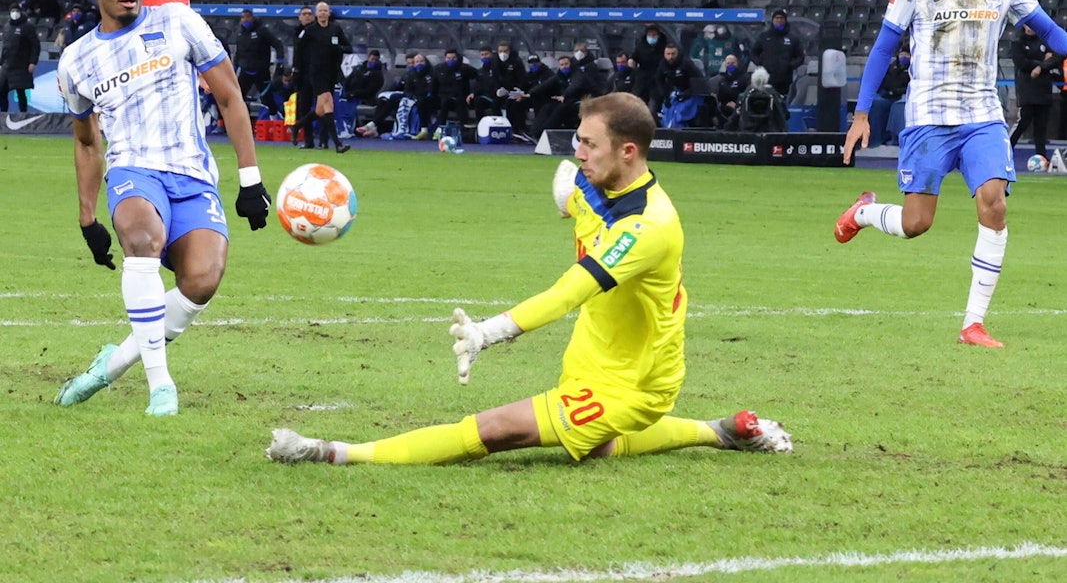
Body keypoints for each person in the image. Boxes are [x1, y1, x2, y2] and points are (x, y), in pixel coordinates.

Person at [268, 92, 793, 466]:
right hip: (593, 353)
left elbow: (570, 291)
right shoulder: (598, 184)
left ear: (628, 152)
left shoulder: (650, 227)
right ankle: (722, 431)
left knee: (496, 430)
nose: (577, 153)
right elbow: (572, 192)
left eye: (588, 144)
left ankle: (332, 452)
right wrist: (567, 187)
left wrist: (487, 332)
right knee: (596, 445)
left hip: (636, 380)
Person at [835, 0, 1067, 349]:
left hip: (983, 116)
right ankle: (863, 212)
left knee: (994, 203)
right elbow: (884, 48)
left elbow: (1049, 31)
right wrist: (861, 112)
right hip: (928, 118)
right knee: (916, 224)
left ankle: (972, 324)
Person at [53, 0, 270, 416]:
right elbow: (88, 142)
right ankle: (161, 388)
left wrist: (250, 180)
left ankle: (110, 366)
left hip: (192, 172)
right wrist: (89, 216)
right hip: (133, 169)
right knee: (142, 238)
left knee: (202, 280)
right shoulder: (76, 61)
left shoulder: (178, 22)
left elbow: (231, 97)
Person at [290, 1, 351, 153]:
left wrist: (339, 48)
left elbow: (348, 47)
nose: (323, 13)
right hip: (316, 73)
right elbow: (299, 47)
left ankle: (297, 126)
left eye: (325, 10)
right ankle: (338, 144)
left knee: (320, 110)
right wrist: (297, 69)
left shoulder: (335, 29)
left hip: (331, 72)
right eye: (320, 11)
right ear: (317, 14)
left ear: (329, 13)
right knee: (328, 104)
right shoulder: (310, 30)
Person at [1009, 24, 1060, 160]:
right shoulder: (1017, 41)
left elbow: (1057, 57)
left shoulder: (1045, 40)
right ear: (1024, 25)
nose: (1031, 27)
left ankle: (1041, 157)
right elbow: (1021, 62)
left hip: (1043, 88)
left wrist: (1041, 67)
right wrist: (1041, 63)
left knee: (1041, 127)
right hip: (1026, 88)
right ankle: (1005, 151)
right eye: (1028, 24)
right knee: (1023, 121)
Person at [528, 55, 600, 137]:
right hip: (568, 99)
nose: (564, 67)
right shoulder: (560, 75)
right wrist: (530, 93)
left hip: (583, 100)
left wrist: (565, 95)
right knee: (548, 107)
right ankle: (535, 132)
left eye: (566, 64)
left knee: (561, 109)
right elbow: (545, 85)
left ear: (571, 64)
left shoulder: (578, 74)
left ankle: (546, 133)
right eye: (561, 65)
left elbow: (575, 86)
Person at [233, 9, 286, 114]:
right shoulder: (240, 34)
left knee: (267, 99)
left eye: (248, 17)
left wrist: (279, 62)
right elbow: (238, 53)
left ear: (253, 18)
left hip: (261, 72)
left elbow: (278, 44)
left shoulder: (262, 31)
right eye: (243, 17)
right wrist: (234, 68)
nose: (245, 19)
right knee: (238, 98)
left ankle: (274, 120)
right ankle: (244, 122)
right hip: (245, 72)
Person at [751, 9, 804, 99]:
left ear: (785, 20)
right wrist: (760, 63)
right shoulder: (764, 36)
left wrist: (790, 65)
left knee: (783, 103)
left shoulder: (792, 38)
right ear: (773, 20)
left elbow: (800, 57)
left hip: (785, 79)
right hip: (767, 78)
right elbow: (753, 52)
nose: (779, 20)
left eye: (781, 18)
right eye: (777, 18)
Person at [867, 46, 911, 147]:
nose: (903, 57)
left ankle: (896, 138)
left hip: (904, 96)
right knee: (876, 104)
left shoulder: (914, 69)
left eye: (906, 55)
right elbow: (882, 83)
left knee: (899, 106)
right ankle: (875, 139)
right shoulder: (891, 67)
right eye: (902, 54)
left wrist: (900, 91)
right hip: (888, 95)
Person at [0, 3, 41, 112]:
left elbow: (35, 45)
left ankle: (23, 115)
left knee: (21, 92)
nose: (15, 13)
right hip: (7, 65)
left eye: (16, 10)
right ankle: (3, 116)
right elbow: (4, 47)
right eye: (12, 10)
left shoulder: (27, 27)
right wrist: (1, 62)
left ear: (20, 12)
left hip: (22, 65)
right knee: (2, 92)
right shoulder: (7, 26)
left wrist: (33, 62)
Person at [657, 43, 705, 129]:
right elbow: (659, 81)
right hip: (673, 93)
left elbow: (699, 81)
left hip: (690, 93)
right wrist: (665, 96)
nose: (670, 57)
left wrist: (687, 93)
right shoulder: (662, 64)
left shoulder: (686, 63)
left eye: (673, 54)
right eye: (668, 54)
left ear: (677, 53)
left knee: (681, 112)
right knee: (667, 110)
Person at [291, 5, 317, 149]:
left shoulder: (316, 31)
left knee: (323, 108)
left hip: (317, 74)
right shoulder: (297, 32)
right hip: (302, 75)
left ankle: (324, 140)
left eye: (309, 14)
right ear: (300, 17)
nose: (307, 16)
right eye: (304, 14)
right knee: (304, 108)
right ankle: (309, 141)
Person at [433, 48, 477, 127]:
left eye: (453, 58)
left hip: (461, 97)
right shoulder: (438, 69)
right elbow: (434, 85)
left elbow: (478, 77)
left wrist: (473, 93)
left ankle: (464, 129)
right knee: (444, 103)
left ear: (457, 58)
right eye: (449, 58)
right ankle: (440, 128)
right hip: (444, 97)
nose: (451, 60)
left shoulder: (464, 68)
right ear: (445, 58)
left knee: (460, 104)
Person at [735, 66, 789, 132]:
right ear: (766, 79)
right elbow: (785, 115)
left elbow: (735, 117)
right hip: (771, 133)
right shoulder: (774, 95)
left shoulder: (744, 96)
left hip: (748, 133)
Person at [632, 23, 667, 109]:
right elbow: (634, 57)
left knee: (653, 107)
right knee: (637, 106)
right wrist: (631, 61)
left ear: (658, 35)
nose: (651, 37)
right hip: (642, 80)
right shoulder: (641, 45)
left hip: (657, 79)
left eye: (654, 35)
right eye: (649, 35)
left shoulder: (664, 46)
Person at [714, 54, 748, 129]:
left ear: (737, 64)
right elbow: (720, 97)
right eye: (728, 63)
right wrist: (726, 103)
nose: (730, 65)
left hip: (740, 108)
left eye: (733, 63)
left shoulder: (744, 78)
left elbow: (746, 95)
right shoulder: (722, 80)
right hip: (725, 108)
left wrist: (737, 105)